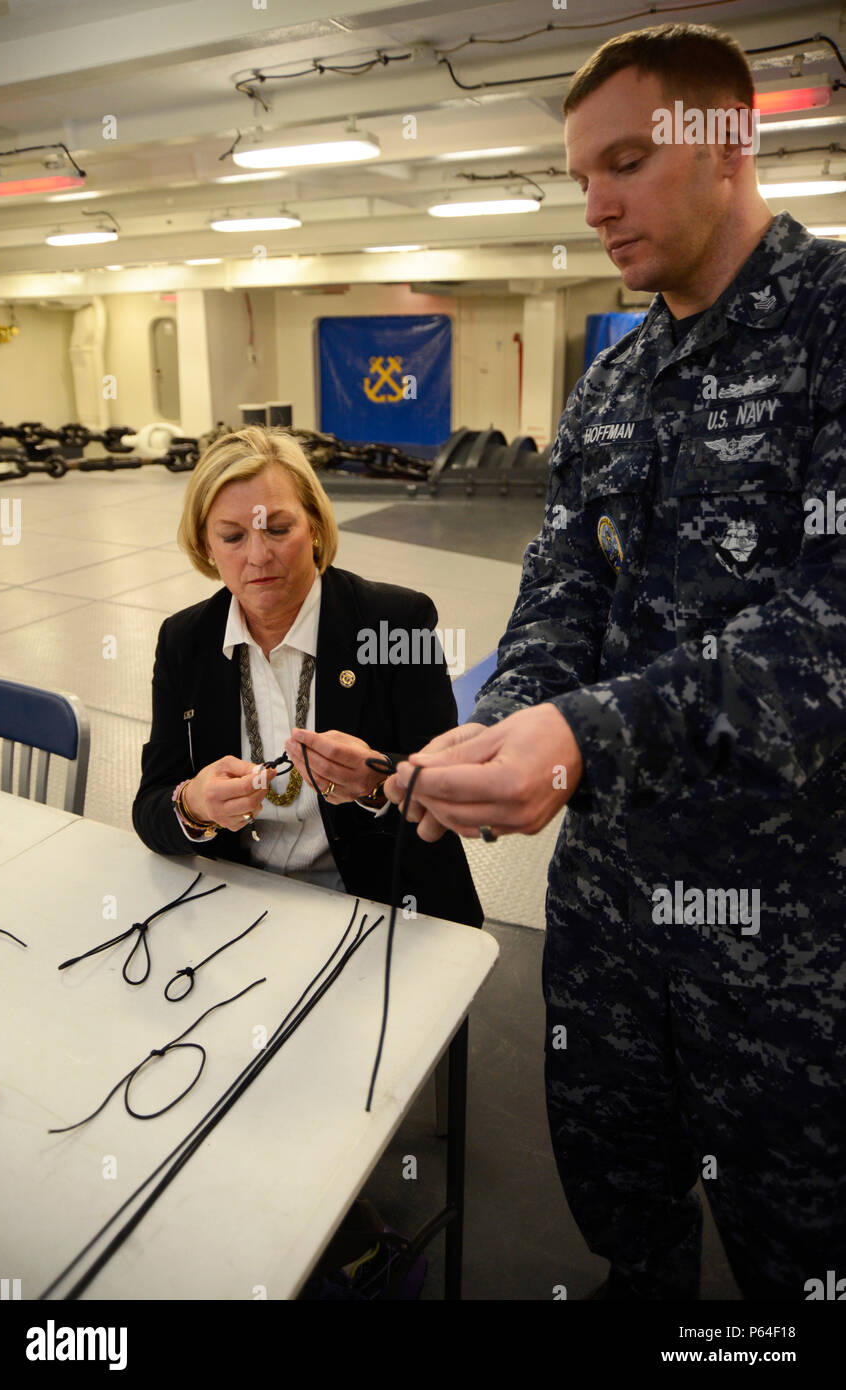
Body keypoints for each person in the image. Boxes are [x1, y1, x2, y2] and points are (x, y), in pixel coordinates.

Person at [384, 22, 846, 1300]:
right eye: (581, 173)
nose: (595, 204)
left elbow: (830, 635)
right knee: (626, 1223)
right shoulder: (614, 380)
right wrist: (513, 714)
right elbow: (562, 588)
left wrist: (584, 734)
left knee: (800, 1261)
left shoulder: (833, 333)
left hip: (795, 935)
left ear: (732, 137)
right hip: (610, 919)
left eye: (630, 161)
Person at [133, 425, 482, 931]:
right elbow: (150, 806)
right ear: (206, 546)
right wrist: (193, 804)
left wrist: (378, 781)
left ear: (315, 526)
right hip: (242, 908)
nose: (258, 556)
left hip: (384, 909)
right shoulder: (183, 641)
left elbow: (450, 782)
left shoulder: (396, 622)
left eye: (278, 528)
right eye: (232, 536)